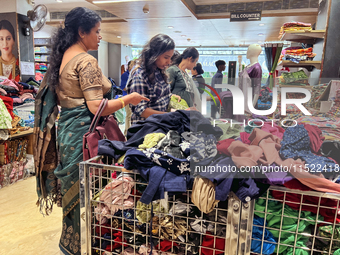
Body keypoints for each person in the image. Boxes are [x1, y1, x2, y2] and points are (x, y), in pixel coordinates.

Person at [34, 7, 148, 255]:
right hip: (85, 133)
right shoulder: (86, 60)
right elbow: (97, 105)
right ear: (81, 31)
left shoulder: (65, 56)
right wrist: (130, 99)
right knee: (90, 187)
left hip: (68, 131)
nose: (99, 36)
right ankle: (85, 245)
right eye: (96, 31)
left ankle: (71, 242)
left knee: (75, 188)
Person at [126, 33, 181, 125]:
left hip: (159, 125)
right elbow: (140, 110)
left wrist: (170, 96)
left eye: (170, 58)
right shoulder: (140, 75)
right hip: (146, 129)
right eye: (166, 57)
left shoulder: (159, 71)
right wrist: (168, 116)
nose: (168, 62)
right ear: (154, 54)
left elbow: (159, 97)